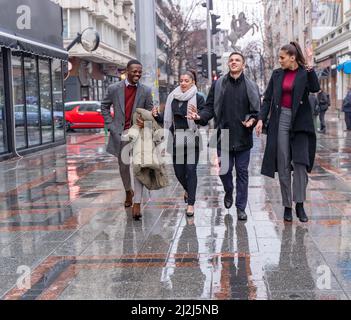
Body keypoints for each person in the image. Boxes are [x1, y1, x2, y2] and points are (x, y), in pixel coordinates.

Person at [187, 52, 261, 221]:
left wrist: (252, 120)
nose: (234, 63)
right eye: (231, 60)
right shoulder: (219, 84)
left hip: (243, 135)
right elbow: (209, 107)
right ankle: (228, 190)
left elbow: (257, 110)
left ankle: (241, 207)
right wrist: (200, 117)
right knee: (224, 171)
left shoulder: (251, 85)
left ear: (243, 65)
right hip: (223, 135)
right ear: (228, 64)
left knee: (242, 173)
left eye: (237, 60)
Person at [256, 41, 320, 223]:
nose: (279, 60)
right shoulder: (277, 75)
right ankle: (287, 205)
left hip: (300, 122)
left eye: (282, 58)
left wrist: (309, 64)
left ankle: (299, 204)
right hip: (280, 120)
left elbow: (315, 88)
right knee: (283, 163)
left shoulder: (303, 73)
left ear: (292, 57)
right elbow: (267, 99)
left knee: (300, 164)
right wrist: (261, 118)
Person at [101, 59, 153, 220]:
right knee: (124, 166)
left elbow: (150, 109)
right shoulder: (114, 89)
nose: (137, 74)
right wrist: (111, 125)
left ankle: (137, 201)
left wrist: (145, 120)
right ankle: (128, 191)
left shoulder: (145, 90)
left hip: (138, 134)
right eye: (134, 71)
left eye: (140, 71)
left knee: (138, 167)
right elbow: (104, 106)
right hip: (120, 134)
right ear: (127, 71)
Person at [152, 70, 206, 217]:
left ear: (192, 82)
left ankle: (191, 204)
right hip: (176, 138)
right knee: (178, 172)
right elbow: (168, 119)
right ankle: (188, 190)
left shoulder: (198, 98)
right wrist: (157, 116)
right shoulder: (173, 97)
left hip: (191, 137)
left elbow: (204, 117)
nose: (183, 83)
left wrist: (198, 117)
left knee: (190, 170)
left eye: (186, 81)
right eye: (181, 80)